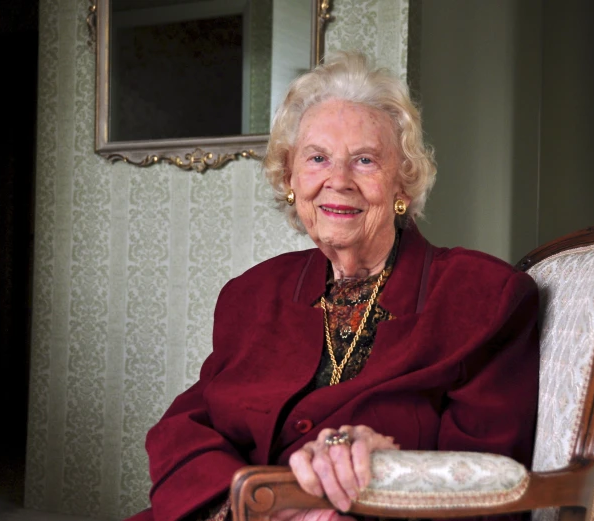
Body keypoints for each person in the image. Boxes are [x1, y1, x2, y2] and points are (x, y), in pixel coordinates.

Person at [126, 51, 539, 521]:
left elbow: (491, 482)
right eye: (317, 158)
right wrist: (250, 508)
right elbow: (184, 427)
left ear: (402, 186)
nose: (337, 181)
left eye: (364, 160)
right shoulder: (252, 293)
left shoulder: (483, 297)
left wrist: (389, 469)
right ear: (291, 180)